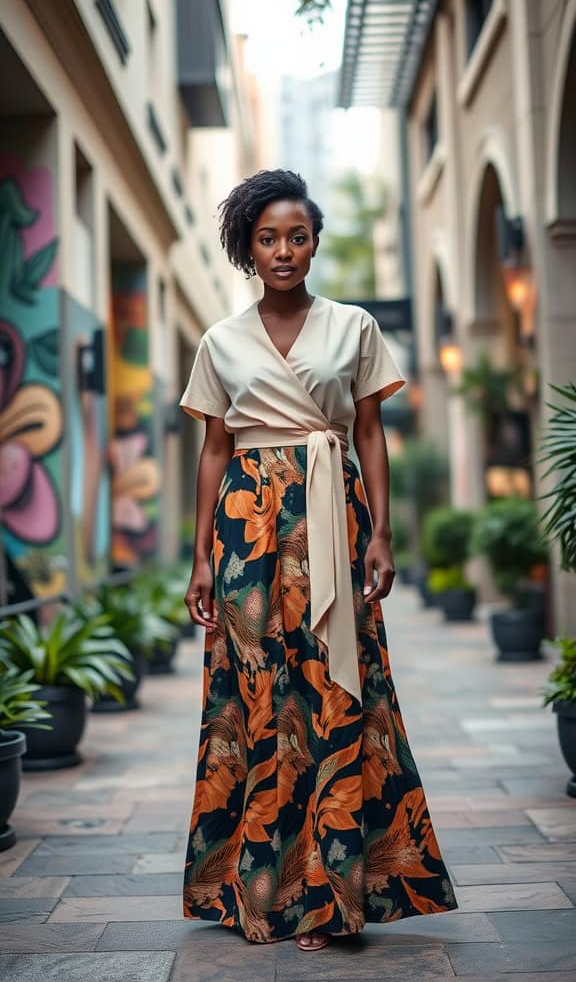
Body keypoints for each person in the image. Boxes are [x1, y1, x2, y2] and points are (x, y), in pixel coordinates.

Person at [179, 169, 458, 950]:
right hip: (246, 532)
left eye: (297, 236)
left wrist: (382, 533)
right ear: (247, 247)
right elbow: (213, 450)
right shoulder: (220, 341)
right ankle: (254, 889)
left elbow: (369, 431)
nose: (284, 250)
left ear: (314, 242)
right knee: (259, 700)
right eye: (267, 237)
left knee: (336, 692)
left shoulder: (354, 326)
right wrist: (200, 555)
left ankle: (334, 895)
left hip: (333, 516)